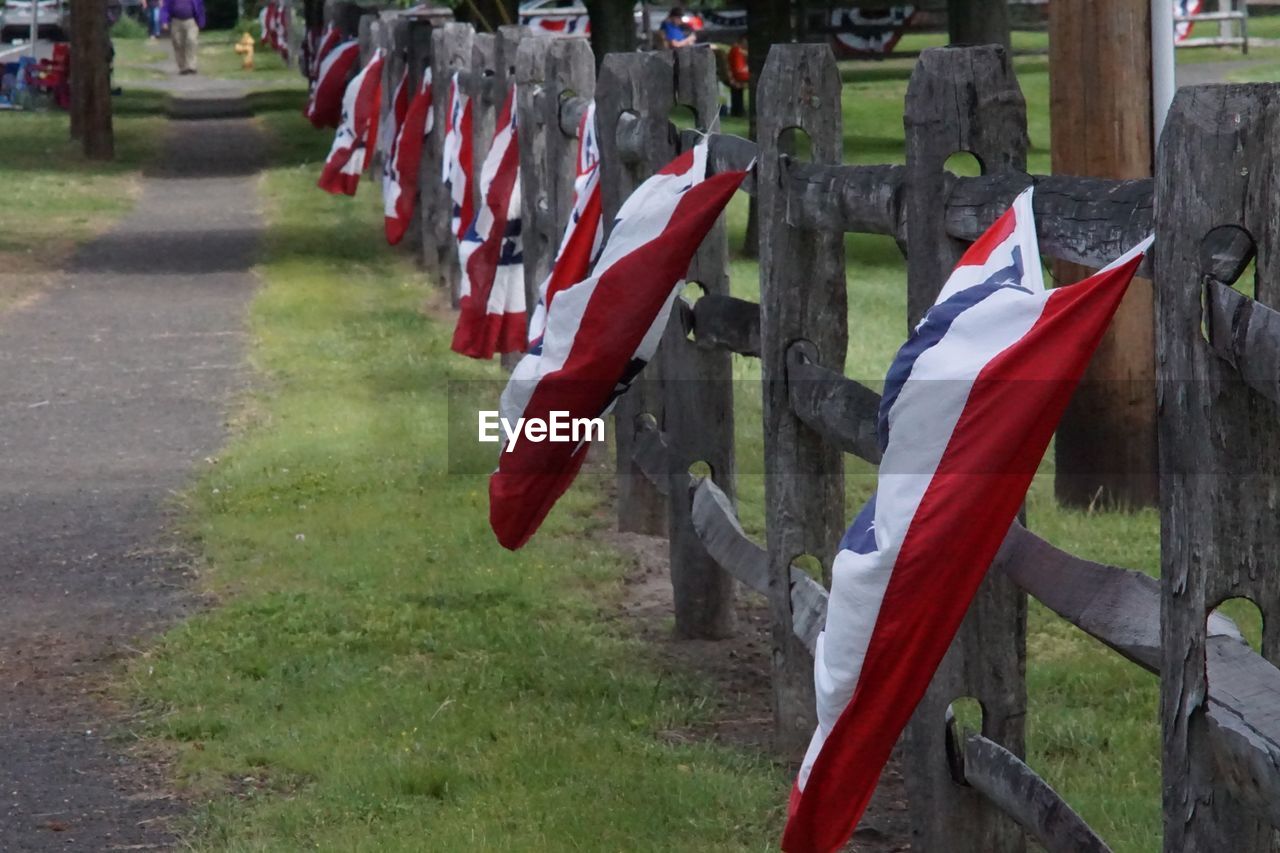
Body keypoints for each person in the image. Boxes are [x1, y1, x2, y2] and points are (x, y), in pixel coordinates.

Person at [160, 0, 206, 75]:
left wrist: (201, 22)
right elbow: (165, 7)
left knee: (191, 41)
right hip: (176, 21)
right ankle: (183, 67)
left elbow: (200, 7)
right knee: (178, 43)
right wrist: (164, 21)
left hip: (191, 21)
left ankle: (192, 66)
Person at [727, 34, 748, 117]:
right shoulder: (736, 50)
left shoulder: (738, 50)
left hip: (736, 74)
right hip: (738, 75)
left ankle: (738, 111)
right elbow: (738, 69)